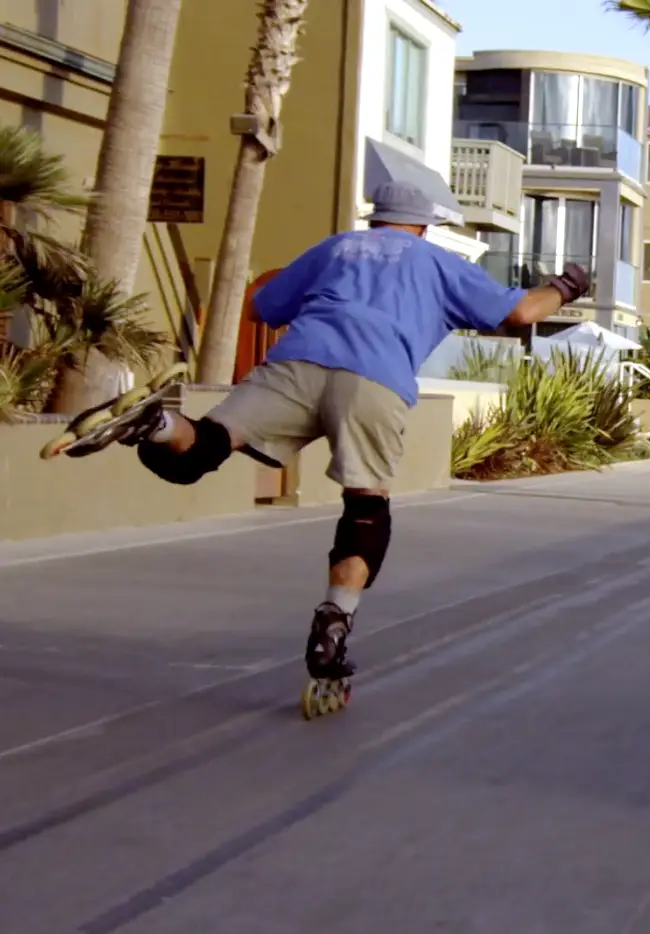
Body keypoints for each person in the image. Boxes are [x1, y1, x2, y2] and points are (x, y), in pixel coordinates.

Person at [67, 181, 589, 682]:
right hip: (374, 379)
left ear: (376, 221)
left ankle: (158, 422)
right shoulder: (438, 261)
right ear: (424, 227)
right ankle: (332, 626)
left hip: (297, 363)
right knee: (366, 507)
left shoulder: (336, 247)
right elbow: (522, 310)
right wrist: (567, 286)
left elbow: (261, 307)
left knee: (203, 447)